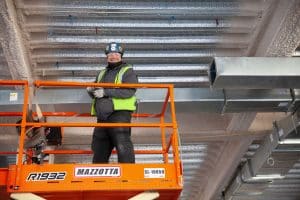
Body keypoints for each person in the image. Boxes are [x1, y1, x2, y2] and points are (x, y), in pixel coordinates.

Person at [87, 42, 138, 163]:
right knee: (99, 147)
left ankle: (128, 174)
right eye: (110, 54)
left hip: (119, 113)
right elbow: (97, 93)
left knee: (122, 143)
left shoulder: (127, 71)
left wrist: (106, 92)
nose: (113, 56)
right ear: (106, 56)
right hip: (102, 117)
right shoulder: (101, 73)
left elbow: (129, 90)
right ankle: (98, 179)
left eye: (116, 53)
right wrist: (90, 90)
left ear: (121, 56)